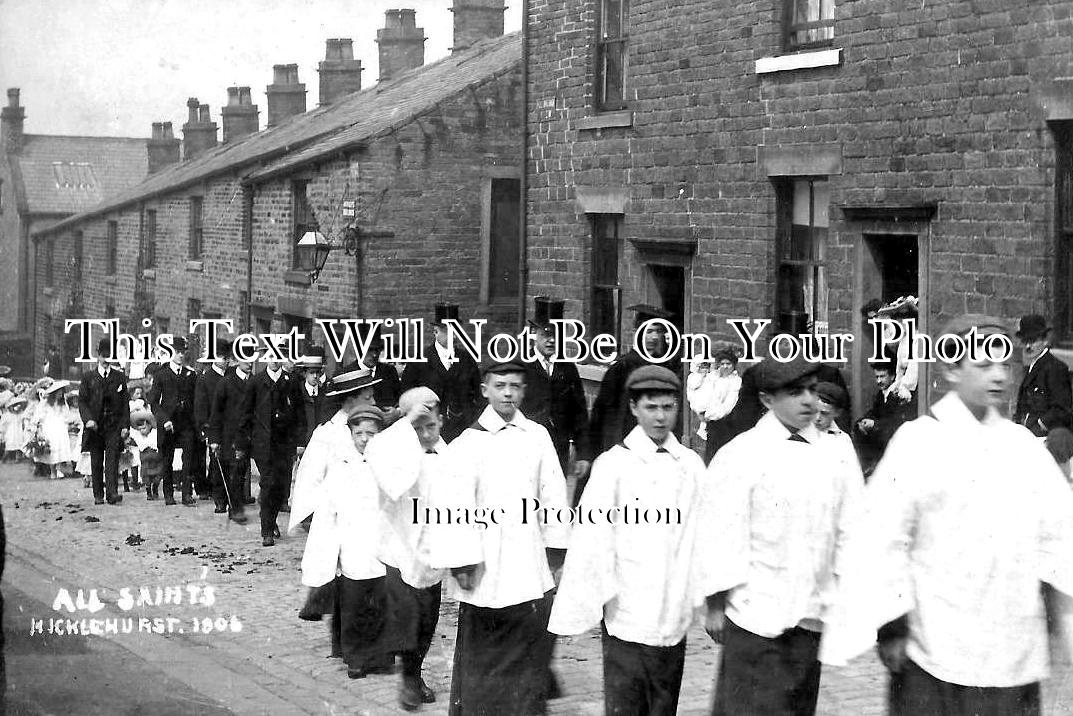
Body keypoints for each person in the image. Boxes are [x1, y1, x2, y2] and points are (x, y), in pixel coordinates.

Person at [821, 314, 1073, 716]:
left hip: (1011, 650)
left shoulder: (1023, 447)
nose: (999, 377)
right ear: (952, 369)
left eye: (1005, 365)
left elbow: (1060, 537)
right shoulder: (919, 441)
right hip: (935, 648)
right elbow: (883, 539)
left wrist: (1062, 621)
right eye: (984, 364)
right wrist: (892, 626)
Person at [702, 354, 862, 716]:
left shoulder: (836, 453)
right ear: (767, 400)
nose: (808, 400)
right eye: (794, 392)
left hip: (809, 615)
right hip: (754, 617)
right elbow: (719, 533)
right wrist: (715, 604)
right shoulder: (741, 454)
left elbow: (851, 526)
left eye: (810, 390)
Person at [549, 365, 708, 715]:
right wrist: (589, 595)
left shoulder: (691, 465)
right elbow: (593, 537)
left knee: (663, 702)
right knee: (626, 701)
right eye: (651, 407)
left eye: (668, 407)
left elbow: (704, 532)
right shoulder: (614, 465)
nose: (661, 417)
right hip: (627, 604)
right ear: (634, 408)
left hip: (673, 604)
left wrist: (703, 596)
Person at [444, 360, 570, 715]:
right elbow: (455, 507)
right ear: (485, 389)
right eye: (500, 386)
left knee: (528, 647)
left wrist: (555, 549)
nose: (508, 393)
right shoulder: (468, 443)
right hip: (484, 564)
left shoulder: (537, 436)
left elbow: (553, 494)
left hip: (527, 561)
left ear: (524, 390)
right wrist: (462, 561)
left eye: (515, 386)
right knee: (483, 652)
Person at [365, 386, 480, 710]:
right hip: (399, 548)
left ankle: (414, 669)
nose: (426, 434)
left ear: (442, 421)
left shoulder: (450, 455)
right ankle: (409, 677)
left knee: (428, 619)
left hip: (433, 552)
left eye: (432, 425)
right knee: (408, 616)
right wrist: (406, 423)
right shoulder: (391, 451)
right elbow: (390, 476)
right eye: (419, 427)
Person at [299, 406, 404, 678]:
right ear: (351, 434)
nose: (365, 439)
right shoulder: (342, 465)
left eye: (371, 433)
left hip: (382, 543)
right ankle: (355, 657)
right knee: (355, 603)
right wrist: (329, 550)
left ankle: (381, 656)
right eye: (359, 433)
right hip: (353, 543)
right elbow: (329, 509)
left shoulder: (388, 464)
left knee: (382, 602)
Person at [584, 304, 681, 502]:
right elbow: (603, 413)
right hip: (626, 440)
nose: (654, 337)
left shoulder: (666, 366)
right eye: (650, 331)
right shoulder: (623, 366)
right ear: (638, 332)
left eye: (659, 332)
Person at [520, 296, 591, 492]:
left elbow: (580, 414)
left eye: (555, 335)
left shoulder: (567, 369)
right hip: (527, 448)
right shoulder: (523, 368)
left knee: (554, 498)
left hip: (559, 447)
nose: (551, 340)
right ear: (535, 334)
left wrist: (583, 454)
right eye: (546, 334)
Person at [238, 349, 302, 546]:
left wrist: (299, 442)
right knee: (268, 483)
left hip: (284, 444)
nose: (275, 361)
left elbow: (299, 414)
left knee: (281, 487)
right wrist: (241, 443)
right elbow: (245, 414)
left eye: (278, 357)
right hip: (263, 444)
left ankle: (271, 519)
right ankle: (266, 529)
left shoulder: (290, 382)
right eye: (271, 357)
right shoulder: (256, 382)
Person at [400, 303, 482, 442]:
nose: (455, 336)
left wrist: (474, 423)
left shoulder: (467, 359)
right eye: (449, 331)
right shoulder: (419, 360)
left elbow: (479, 396)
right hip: (430, 430)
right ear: (435, 331)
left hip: (464, 430)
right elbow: (406, 396)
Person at [147, 336, 198, 506]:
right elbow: (154, 402)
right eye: (177, 352)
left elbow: (195, 400)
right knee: (167, 459)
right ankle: (168, 494)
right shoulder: (162, 375)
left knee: (189, 458)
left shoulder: (190, 375)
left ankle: (186, 494)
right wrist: (164, 420)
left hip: (186, 423)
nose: (181, 356)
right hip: (168, 424)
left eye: (183, 352)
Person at [79, 339, 130, 505]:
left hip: (113, 425)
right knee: (96, 460)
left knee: (113, 459)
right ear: (98, 356)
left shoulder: (119, 377)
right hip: (95, 425)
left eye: (109, 355)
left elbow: (124, 404)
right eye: (103, 355)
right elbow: (82, 402)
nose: (106, 359)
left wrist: (124, 426)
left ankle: (112, 493)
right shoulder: (88, 378)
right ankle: (98, 494)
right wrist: (88, 420)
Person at [207, 349, 254, 523]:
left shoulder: (255, 382)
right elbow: (216, 413)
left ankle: (234, 504)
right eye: (245, 359)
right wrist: (214, 439)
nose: (249, 363)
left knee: (240, 471)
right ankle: (234, 508)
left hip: (249, 435)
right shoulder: (226, 383)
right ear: (236, 360)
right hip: (230, 435)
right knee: (232, 471)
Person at [1013, 313, 1072, 437]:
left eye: (1033, 341)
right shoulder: (1032, 367)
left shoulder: (1055, 368)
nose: (1028, 346)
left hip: (1045, 437)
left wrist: (1038, 426)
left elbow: (1061, 409)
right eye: (1025, 341)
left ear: (1045, 340)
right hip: (1027, 435)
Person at [854, 358, 915, 479]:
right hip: (883, 431)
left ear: (892, 376)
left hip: (896, 436)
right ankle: (869, 465)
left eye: (882, 376)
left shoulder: (899, 394)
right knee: (858, 427)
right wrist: (864, 421)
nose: (879, 381)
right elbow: (874, 412)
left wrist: (874, 424)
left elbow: (896, 422)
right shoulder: (881, 394)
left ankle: (878, 466)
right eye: (877, 377)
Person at [195, 340, 230, 512]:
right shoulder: (205, 379)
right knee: (217, 464)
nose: (226, 361)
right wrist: (206, 430)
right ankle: (219, 499)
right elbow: (201, 408)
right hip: (214, 428)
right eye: (223, 357)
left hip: (230, 427)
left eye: (228, 358)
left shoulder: (231, 376)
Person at [689, 345, 742, 458]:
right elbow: (700, 393)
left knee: (724, 454)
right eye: (722, 364)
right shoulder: (712, 377)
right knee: (711, 455)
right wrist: (701, 411)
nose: (725, 367)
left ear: (733, 365)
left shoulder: (735, 382)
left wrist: (709, 415)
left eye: (728, 364)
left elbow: (728, 405)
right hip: (710, 423)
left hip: (725, 423)